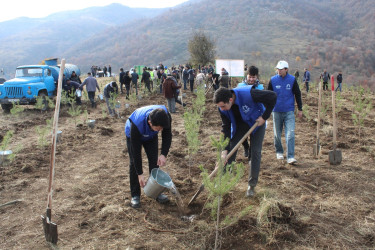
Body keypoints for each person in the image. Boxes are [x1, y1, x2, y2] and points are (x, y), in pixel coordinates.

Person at [214, 86, 276, 197]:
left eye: (223, 106)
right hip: (241, 125)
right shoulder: (221, 108)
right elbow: (226, 128)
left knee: (255, 152)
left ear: (231, 100)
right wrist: (224, 150)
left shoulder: (249, 94)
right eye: (220, 107)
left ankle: (251, 186)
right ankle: (222, 181)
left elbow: (273, 96)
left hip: (257, 122)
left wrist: (264, 117)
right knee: (230, 149)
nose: (222, 109)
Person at [125, 105, 172, 208]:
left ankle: (156, 192)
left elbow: (167, 135)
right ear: (150, 123)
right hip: (133, 135)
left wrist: (163, 154)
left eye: (161, 129)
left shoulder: (165, 117)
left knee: (154, 160)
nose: (160, 130)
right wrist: (140, 174)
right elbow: (136, 153)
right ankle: (135, 195)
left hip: (150, 136)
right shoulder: (136, 124)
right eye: (158, 128)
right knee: (134, 163)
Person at [267, 60, 302, 165]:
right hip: (276, 111)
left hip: (289, 111)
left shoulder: (292, 80)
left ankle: (290, 156)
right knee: (277, 134)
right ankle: (279, 151)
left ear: (286, 69)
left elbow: (298, 94)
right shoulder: (272, 80)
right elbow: (267, 95)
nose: (278, 71)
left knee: (290, 133)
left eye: (281, 69)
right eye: (277, 69)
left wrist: (300, 109)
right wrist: (267, 109)